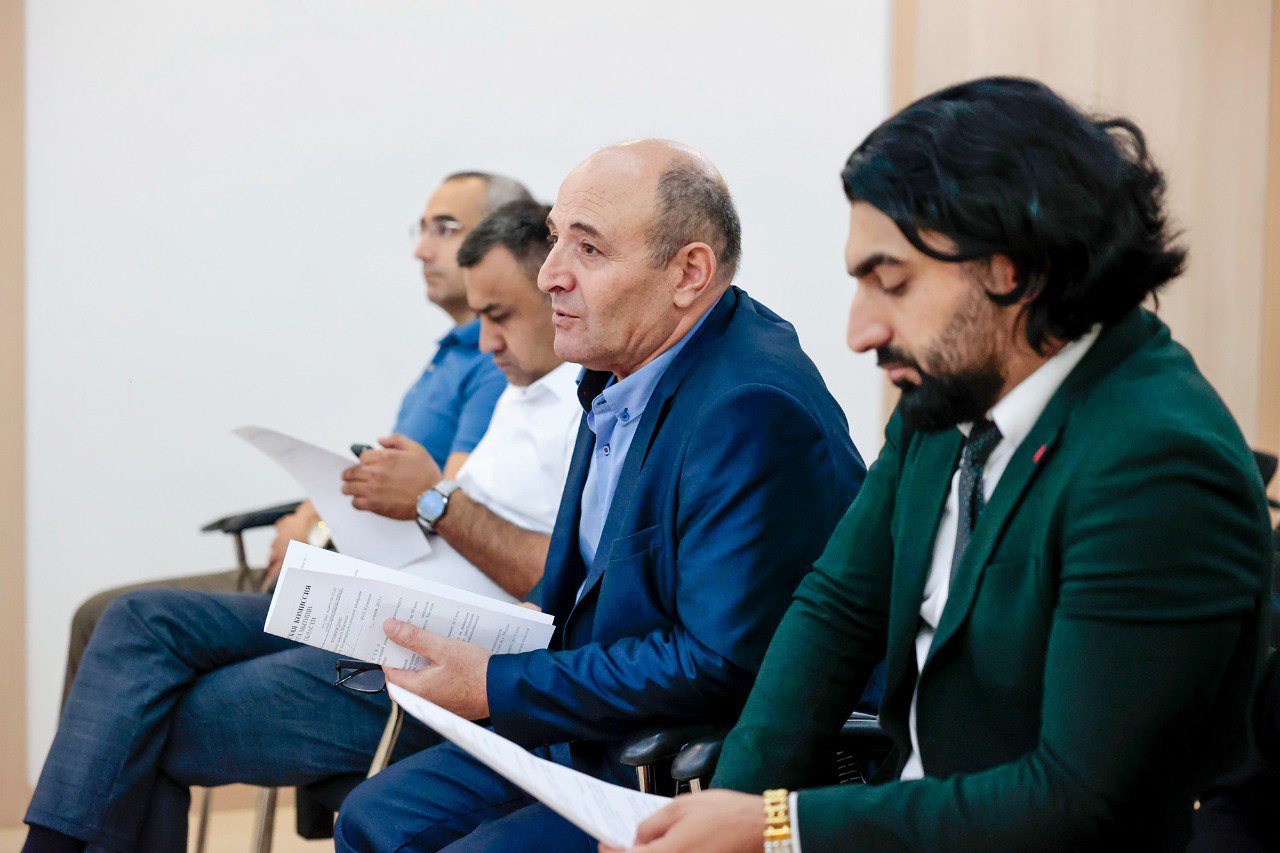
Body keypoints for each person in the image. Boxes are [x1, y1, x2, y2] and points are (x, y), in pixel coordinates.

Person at [616, 77, 1274, 853]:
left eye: (892, 282)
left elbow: (1077, 800)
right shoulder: (948, 394)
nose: (860, 331)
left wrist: (775, 827)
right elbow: (837, 610)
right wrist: (724, 811)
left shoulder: (1155, 464)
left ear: (1011, 269)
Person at [332, 138, 866, 852]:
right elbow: (588, 584)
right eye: (556, 239)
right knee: (372, 817)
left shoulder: (750, 408)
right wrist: (503, 631)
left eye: (588, 249)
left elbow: (720, 663)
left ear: (688, 273)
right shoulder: (618, 367)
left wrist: (497, 682)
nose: (550, 275)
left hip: (675, 760)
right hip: (587, 718)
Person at [23, 199, 582, 853]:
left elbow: (560, 578)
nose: (486, 342)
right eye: (480, 317)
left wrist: (431, 500)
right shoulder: (519, 393)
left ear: (555, 295)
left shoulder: (583, 411)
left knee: (137, 721)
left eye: (500, 316)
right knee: (137, 620)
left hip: (411, 667)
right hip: (375, 611)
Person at [59, 171, 527, 702]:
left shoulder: (496, 365)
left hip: (366, 583)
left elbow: (448, 498)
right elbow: (389, 476)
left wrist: (320, 528)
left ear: (501, 239)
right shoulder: (448, 355)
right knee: (105, 622)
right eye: (419, 229)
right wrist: (308, 513)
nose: (421, 249)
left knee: (118, 623)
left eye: (444, 229)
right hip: (335, 561)